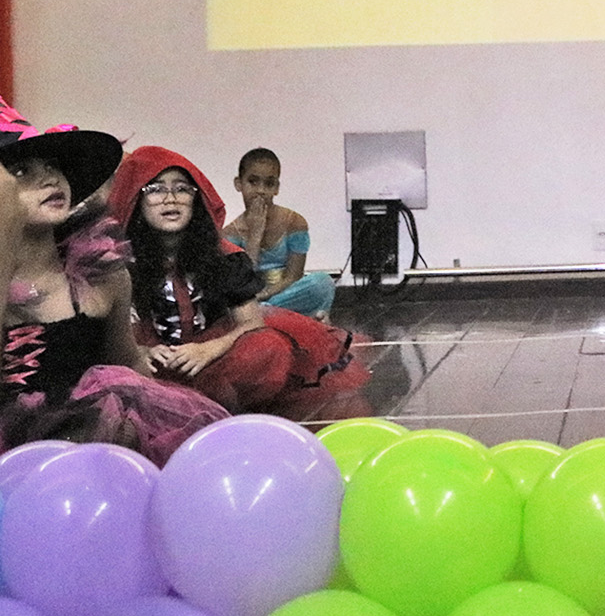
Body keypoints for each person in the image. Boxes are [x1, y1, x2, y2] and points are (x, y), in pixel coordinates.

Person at [1, 99, 227, 462]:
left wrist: (158, 413)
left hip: (93, 440)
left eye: (54, 166)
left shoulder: (102, 278)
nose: (50, 178)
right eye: (22, 171)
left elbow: (127, 364)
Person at [109, 145, 371, 420]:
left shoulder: (224, 255)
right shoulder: (119, 262)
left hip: (215, 358)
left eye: (182, 189)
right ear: (136, 200)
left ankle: (223, 408)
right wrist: (141, 352)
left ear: (196, 199)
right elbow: (114, 334)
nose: (170, 199)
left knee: (267, 347)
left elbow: (252, 323)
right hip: (153, 364)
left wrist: (208, 349)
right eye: (156, 190)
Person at [224, 147, 336, 320]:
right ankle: (297, 319)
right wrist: (255, 235)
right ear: (239, 184)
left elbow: (293, 276)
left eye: (269, 184)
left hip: (284, 295)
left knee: (323, 283)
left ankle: (267, 315)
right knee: (231, 305)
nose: (261, 190)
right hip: (251, 300)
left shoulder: (294, 222)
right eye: (253, 182)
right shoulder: (230, 233)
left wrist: (264, 297)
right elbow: (243, 283)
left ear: (276, 188)